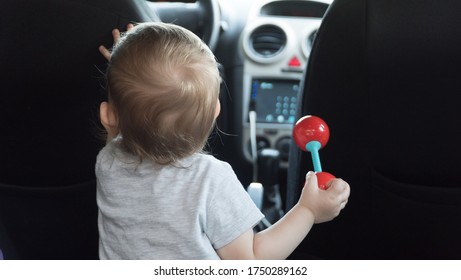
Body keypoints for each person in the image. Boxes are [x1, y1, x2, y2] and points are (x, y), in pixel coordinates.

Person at [96, 22, 350, 260]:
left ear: (109, 116)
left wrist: (126, 71)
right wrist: (308, 210)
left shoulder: (108, 162)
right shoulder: (210, 179)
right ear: (216, 111)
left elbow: (123, 125)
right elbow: (251, 261)